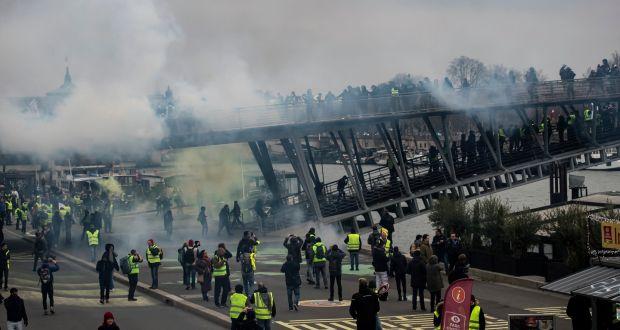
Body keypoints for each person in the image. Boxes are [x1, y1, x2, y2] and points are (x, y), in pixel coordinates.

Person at [213, 243, 233, 308]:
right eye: (223, 252)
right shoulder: (215, 257)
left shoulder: (224, 256)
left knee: (226, 290)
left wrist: (225, 249)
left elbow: (230, 255)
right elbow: (217, 266)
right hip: (218, 276)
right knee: (217, 290)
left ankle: (223, 303)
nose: (224, 253)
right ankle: (217, 303)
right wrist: (223, 261)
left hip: (224, 275)